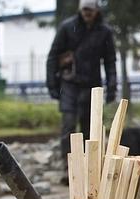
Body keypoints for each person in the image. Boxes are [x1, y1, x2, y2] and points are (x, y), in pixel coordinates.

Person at [46, 0, 117, 160]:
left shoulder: (105, 32)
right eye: (85, 10)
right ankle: (68, 166)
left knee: (89, 128)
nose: (87, 13)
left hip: (92, 86)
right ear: (80, 9)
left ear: (97, 11)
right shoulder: (67, 27)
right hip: (69, 83)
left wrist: (112, 86)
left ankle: (88, 166)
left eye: (90, 10)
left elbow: (110, 61)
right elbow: (53, 56)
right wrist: (51, 84)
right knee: (68, 125)